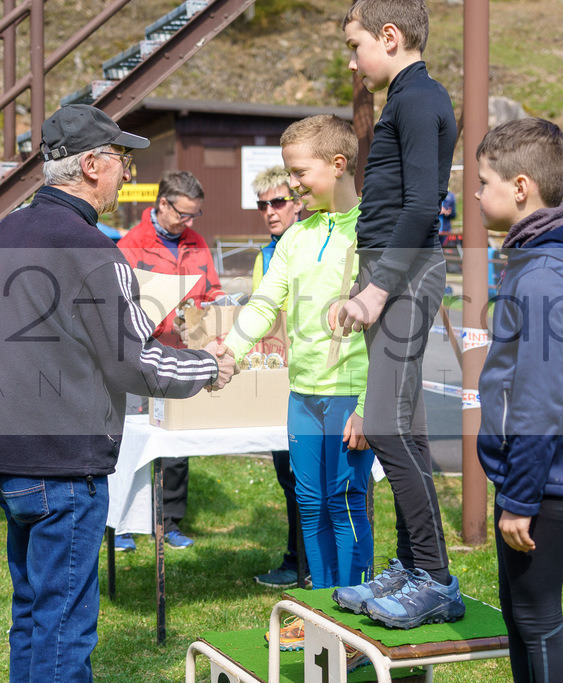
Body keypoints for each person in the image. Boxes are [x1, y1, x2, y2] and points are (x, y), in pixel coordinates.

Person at [0, 104, 235, 682]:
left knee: (33, 614)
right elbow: (135, 363)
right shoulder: (93, 249)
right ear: (89, 165)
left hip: (6, 454)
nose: (127, 174)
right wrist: (207, 366)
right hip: (61, 462)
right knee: (63, 628)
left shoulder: (11, 230)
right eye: (121, 160)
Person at [330, 0, 466, 629]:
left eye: (355, 46)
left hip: (405, 274)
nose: (352, 62)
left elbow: (420, 208)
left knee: (385, 426)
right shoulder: (408, 98)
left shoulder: (417, 99)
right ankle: (413, 567)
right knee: (404, 427)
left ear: (389, 37)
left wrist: (377, 289)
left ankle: (435, 579)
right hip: (392, 269)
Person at [220, 115, 373, 673]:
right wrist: (230, 350)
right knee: (309, 503)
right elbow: (265, 302)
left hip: (350, 395)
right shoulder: (296, 236)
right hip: (302, 393)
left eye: (300, 172)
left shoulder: (370, 230)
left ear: (338, 165)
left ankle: (355, 624)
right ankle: (319, 615)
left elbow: (392, 327)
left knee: (346, 504)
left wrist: (370, 405)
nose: (293, 184)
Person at [475, 118, 563, 682]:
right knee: (522, 616)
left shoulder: (542, 279)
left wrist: (519, 497)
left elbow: (537, 399)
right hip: (532, 474)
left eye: (483, 182)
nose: (476, 195)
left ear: (520, 187)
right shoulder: (537, 264)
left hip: (540, 478)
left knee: (537, 620)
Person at [117, 170, 226, 550]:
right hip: (138, 356)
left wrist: (213, 307)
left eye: (195, 215)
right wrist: (164, 319)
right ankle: (121, 525)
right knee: (129, 438)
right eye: (183, 214)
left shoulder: (197, 243)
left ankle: (168, 522)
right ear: (162, 204)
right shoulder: (131, 244)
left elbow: (212, 290)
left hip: (180, 355)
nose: (189, 223)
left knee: (175, 439)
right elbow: (120, 307)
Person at [249, 165, 307, 589]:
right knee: (288, 477)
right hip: (278, 378)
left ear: (297, 203)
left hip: (314, 377)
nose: (270, 211)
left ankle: (309, 565)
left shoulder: (311, 244)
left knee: (313, 481)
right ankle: (298, 560)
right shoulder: (262, 257)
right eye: (262, 204)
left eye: (278, 202)